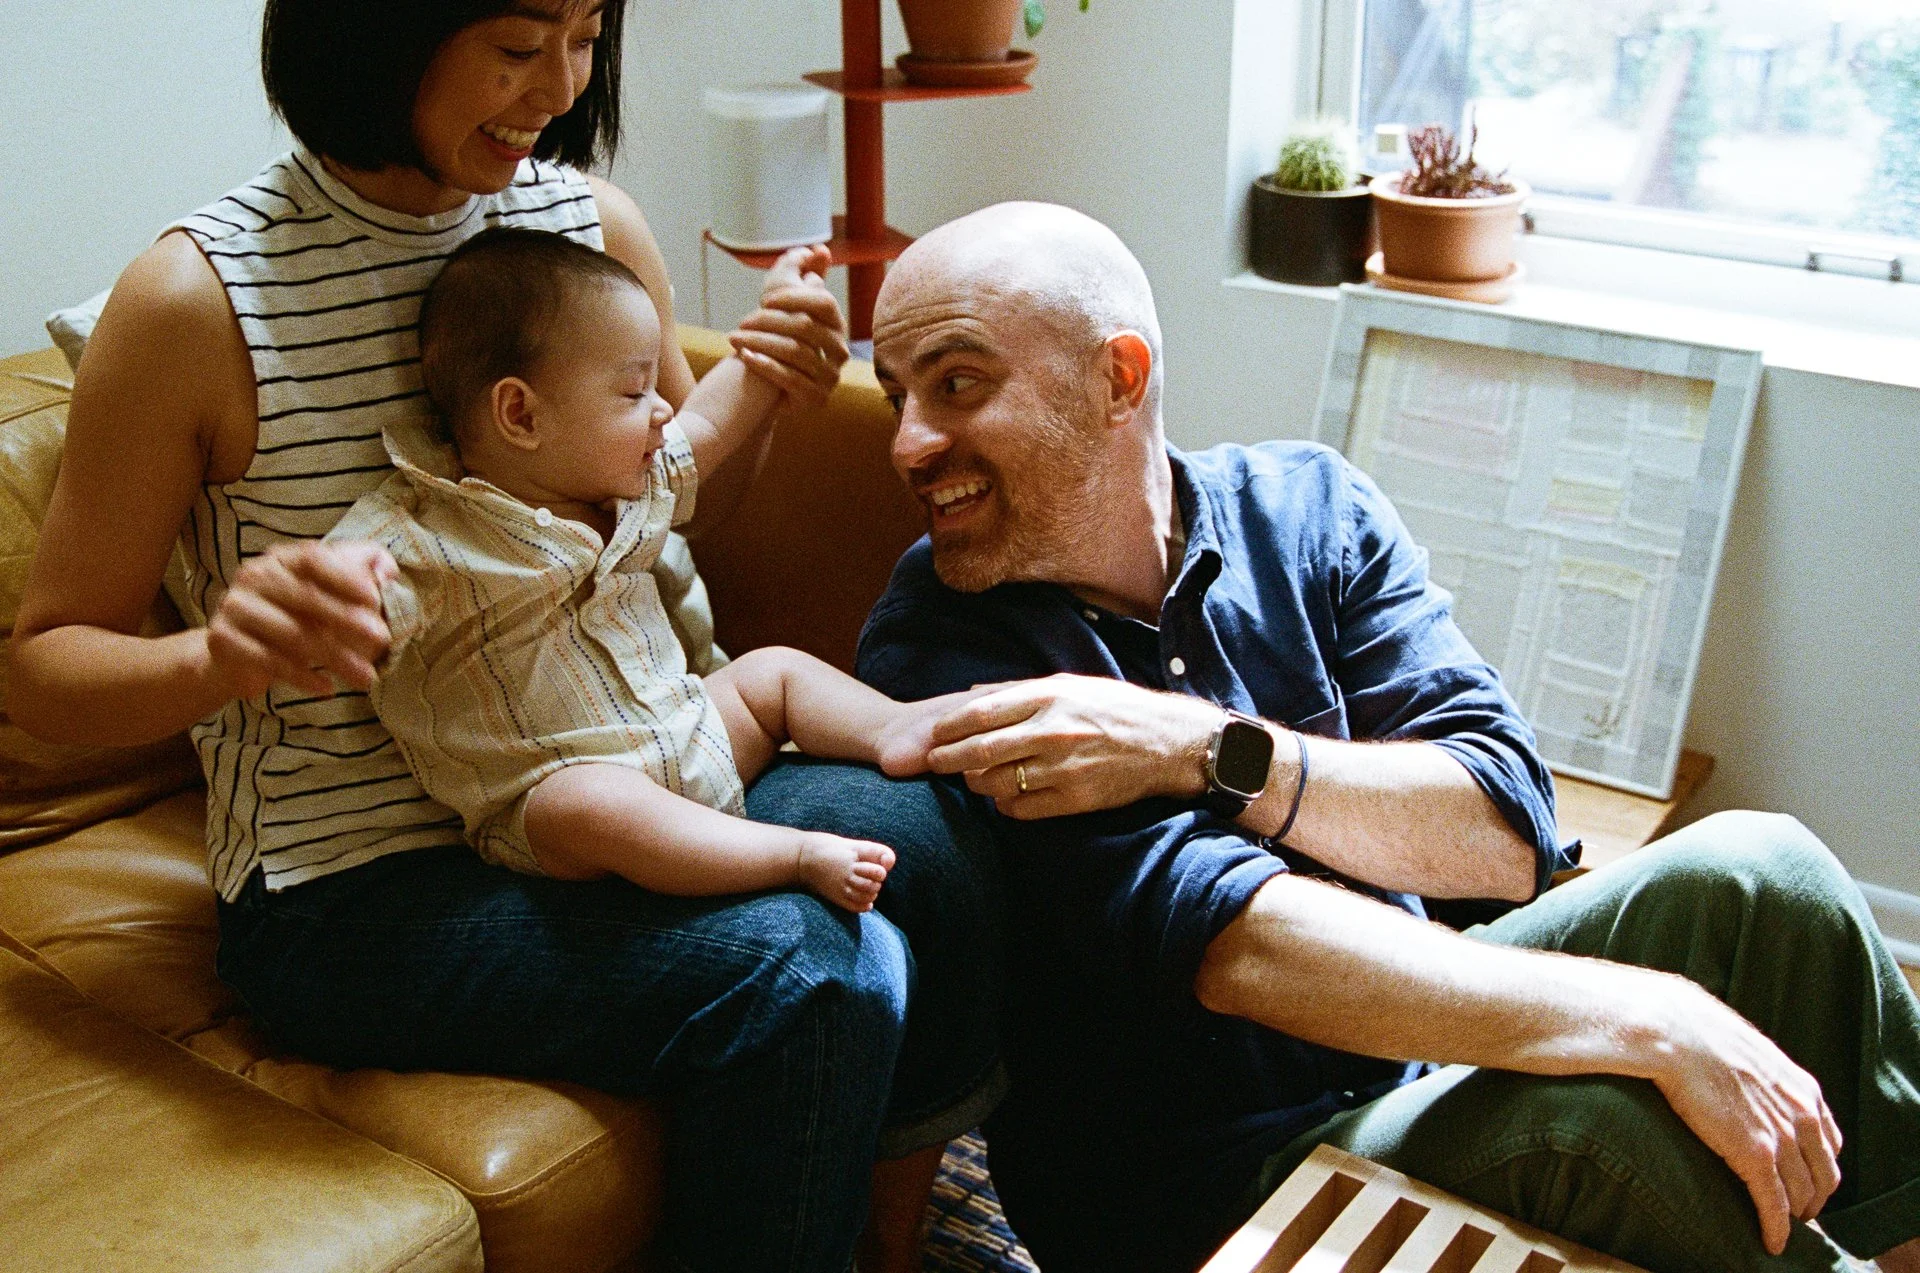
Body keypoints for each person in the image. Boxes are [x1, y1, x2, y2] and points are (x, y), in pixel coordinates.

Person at [8, 4, 1002, 1270]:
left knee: (939, 831)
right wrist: (221, 657)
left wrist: (776, 391)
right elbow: (46, 667)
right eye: (520, 41)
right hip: (355, 891)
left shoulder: (590, 226)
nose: (560, 87)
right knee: (811, 967)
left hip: (623, 757)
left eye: (588, 35)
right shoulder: (201, 301)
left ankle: (897, 1244)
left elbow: (683, 522)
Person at [856, 201, 1920, 1273]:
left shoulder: (1308, 508)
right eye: (899, 394)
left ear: (1117, 379)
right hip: (1208, 1189)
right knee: (1600, 1128)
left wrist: (1202, 747)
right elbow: (1238, 950)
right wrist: (1646, 1018)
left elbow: (1505, 828)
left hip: (1403, 1062)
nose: (906, 442)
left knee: (1766, 874)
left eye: (957, 384)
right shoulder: (940, 649)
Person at [340, 227, 972, 911]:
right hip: (567, 804)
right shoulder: (425, 537)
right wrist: (327, 597)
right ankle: (791, 854)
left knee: (772, 672)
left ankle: (896, 726)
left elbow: (710, 424)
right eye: (635, 391)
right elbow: (331, 586)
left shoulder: (629, 481)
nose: (664, 407)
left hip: (690, 734)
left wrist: (779, 314)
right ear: (520, 413)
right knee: (588, 802)